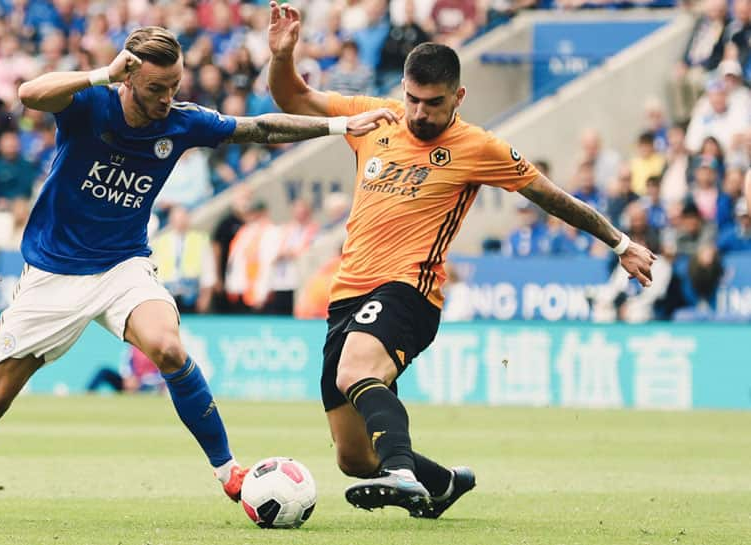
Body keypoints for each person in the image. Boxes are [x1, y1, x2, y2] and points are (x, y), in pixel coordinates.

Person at [0, 26, 397, 519]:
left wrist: (339, 127)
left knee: (168, 347)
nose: (167, 99)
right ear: (127, 77)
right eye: (155, 89)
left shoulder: (182, 123)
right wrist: (99, 74)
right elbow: (28, 94)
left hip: (124, 265)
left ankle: (229, 470)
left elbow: (258, 127)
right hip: (55, 271)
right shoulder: (90, 105)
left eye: (174, 87)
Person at [267, 2, 656, 518]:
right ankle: (445, 483)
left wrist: (620, 244)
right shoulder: (373, 118)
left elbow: (553, 196)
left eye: (433, 103)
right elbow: (293, 95)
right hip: (348, 296)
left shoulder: (478, 147)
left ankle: (402, 472)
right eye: (412, 100)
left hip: (410, 291)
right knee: (355, 459)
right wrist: (281, 57)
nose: (420, 113)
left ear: (459, 97)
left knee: (356, 370)